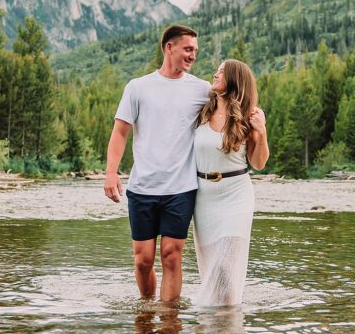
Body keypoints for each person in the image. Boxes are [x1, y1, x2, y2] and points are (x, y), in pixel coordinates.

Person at [104, 24, 210, 302]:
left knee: (172, 256)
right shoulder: (138, 87)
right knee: (143, 260)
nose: (193, 56)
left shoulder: (202, 90)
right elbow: (120, 132)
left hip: (181, 187)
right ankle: (146, 310)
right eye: (188, 49)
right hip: (142, 187)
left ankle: (169, 321)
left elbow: (228, 113)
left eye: (196, 51)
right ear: (169, 47)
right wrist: (111, 173)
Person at [191, 58, 269, 307]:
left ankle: (227, 316)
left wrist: (262, 131)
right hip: (203, 197)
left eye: (222, 72)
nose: (215, 74)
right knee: (211, 262)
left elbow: (258, 163)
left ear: (235, 79)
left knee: (225, 262)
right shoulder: (202, 110)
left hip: (236, 195)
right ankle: (215, 317)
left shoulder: (250, 115)